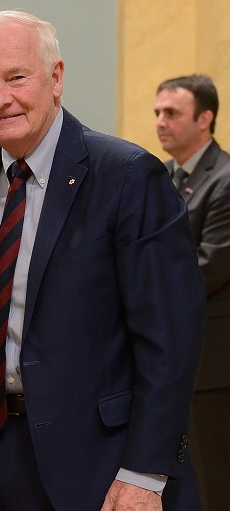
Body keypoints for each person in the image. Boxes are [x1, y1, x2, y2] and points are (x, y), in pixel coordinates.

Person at [0, 10, 205, 511]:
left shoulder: (128, 177)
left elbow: (171, 339)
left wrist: (145, 473)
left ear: (56, 78)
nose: (0, 98)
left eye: (17, 77)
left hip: (99, 467)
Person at [155, 74, 230, 510]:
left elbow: (208, 268)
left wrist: (137, 291)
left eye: (172, 113)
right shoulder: (162, 175)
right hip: (169, 360)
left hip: (212, 368)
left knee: (213, 482)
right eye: (157, 113)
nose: (161, 122)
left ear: (205, 119)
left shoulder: (224, 179)